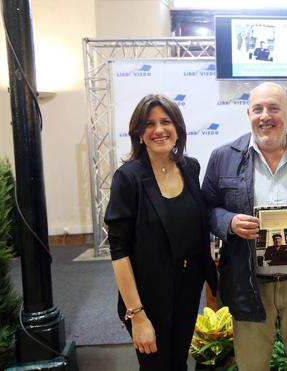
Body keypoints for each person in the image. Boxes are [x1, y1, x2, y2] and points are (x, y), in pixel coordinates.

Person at [202, 82, 287, 371]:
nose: (265, 116)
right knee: (251, 366)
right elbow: (206, 209)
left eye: (274, 108)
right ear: (248, 113)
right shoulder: (223, 158)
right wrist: (229, 222)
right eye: (258, 109)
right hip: (249, 284)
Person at [105, 94, 217, 370]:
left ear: (178, 129)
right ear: (139, 134)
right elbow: (119, 251)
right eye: (149, 124)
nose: (158, 130)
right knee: (155, 366)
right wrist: (137, 315)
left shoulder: (190, 168)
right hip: (147, 295)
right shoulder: (128, 178)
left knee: (178, 362)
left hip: (187, 287)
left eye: (165, 121)